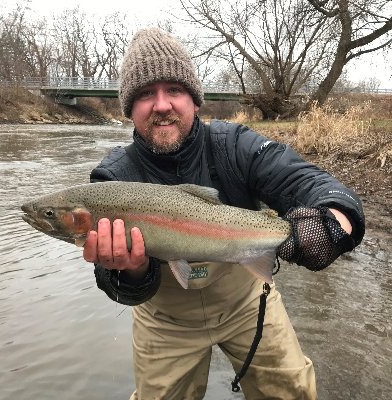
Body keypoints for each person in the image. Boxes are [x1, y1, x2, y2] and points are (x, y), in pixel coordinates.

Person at [82, 28, 365, 400]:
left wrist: (332, 221)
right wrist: (130, 270)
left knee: (291, 393)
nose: (162, 104)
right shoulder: (112, 178)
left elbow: (309, 182)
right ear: (129, 108)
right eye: (146, 93)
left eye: (175, 90)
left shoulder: (235, 146)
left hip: (247, 303)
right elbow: (118, 286)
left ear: (195, 100)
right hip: (165, 322)